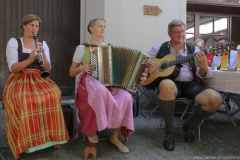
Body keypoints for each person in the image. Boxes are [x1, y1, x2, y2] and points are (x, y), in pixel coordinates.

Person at [69, 18, 147, 154]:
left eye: (104, 26)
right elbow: (71, 71)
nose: (103, 28)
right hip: (90, 82)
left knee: (126, 96)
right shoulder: (82, 48)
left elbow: (117, 70)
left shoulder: (109, 49)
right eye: (99, 26)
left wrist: (143, 68)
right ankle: (91, 130)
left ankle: (115, 136)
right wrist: (83, 68)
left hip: (109, 84)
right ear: (91, 28)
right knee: (99, 91)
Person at [146, 19, 222, 151]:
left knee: (215, 100)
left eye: (182, 31)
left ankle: (190, 125)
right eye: (176, 32)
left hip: (190, 84)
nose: (180, 34)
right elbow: (143, 59)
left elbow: (204, 74)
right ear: (169, 34)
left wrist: (204, 67)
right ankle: (170, 132)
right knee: (166, 85)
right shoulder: (159, 48)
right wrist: (146, 63)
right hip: (170, 83)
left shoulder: (195, 50)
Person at [3, 14, 69, 158]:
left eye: (36, 26)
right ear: (24, 26)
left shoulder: (42, 44)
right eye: (31, 25)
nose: (34, 28)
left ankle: (47, 139)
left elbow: (48, 69)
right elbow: (13, 68)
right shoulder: (14, 42)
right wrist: (29, 59)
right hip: (19, 77)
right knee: (24, 100)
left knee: (54, 93)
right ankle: (25, 142)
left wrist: (43, 54)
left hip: (39, 78)